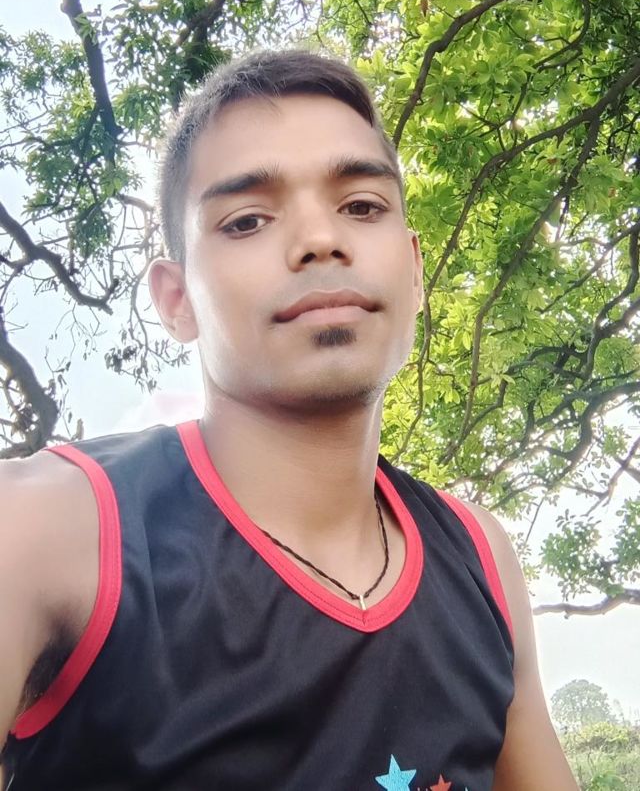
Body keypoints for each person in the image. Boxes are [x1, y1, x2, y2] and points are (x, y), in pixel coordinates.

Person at [0, 50, 578, 790]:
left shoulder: (480, 558)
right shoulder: (50, 528)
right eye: (246, 220)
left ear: (413, 271)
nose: (319, 239)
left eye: (361, 206)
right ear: (176, 299)